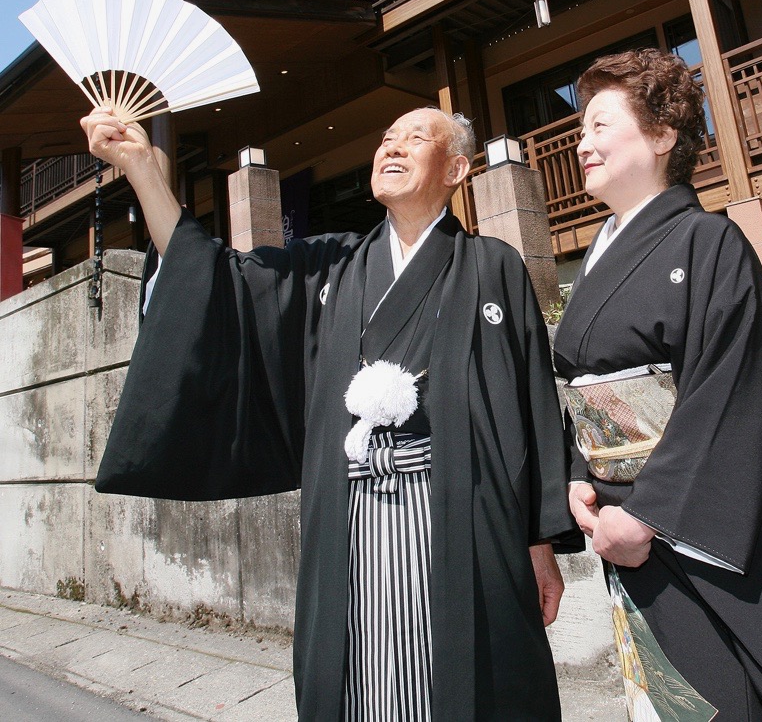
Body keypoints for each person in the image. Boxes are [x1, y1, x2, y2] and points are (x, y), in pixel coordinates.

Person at [82, 105, 576, 721]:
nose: (390, 147)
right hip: (350, 522)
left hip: (464, 523)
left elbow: (527, 401)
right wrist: (144, 174)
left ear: (456, 168)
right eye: (386, 137)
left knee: (467, 683)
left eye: (414, 138)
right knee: (357, 682)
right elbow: (223, 283)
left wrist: (539, 540)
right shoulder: (333, 266)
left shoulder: (492, 265)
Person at [553, 49, 762, 722]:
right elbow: (584, 386)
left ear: (663, 134)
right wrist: (578, 469)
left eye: (601, 125)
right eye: (582, 129)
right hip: (620, 517)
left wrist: (645, 514)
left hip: (682, 527)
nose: (583, 143)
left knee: (716, 696)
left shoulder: (707, 242)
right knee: (659, 697)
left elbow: (736, 388)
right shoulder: (599, 254)